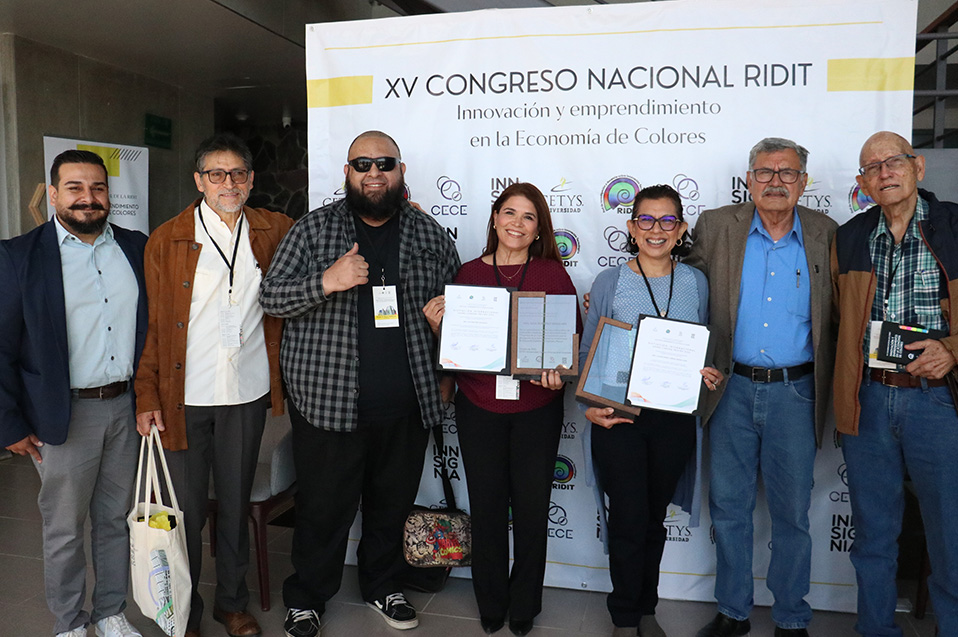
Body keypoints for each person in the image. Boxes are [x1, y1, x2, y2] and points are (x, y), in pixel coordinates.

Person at [259, 131, 460, 637]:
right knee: (322, 511)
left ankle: (382, 586)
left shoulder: (430, 234)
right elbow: (271, 298)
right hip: (327, 404)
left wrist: (447, 358)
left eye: (384, 163)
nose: (374, 173)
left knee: (390, 508)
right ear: (347, 173)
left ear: (401, 171)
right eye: (362, 164)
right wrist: (327, 281)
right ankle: (307, 598)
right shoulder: (313, 230)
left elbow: (461, 313)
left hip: (408, 404)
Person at [134, 133, 293, 637]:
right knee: (184, 512)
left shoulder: (273, 228)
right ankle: (184, 609)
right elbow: (151, 325)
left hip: (245, 392)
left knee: (235, 502)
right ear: (199, 180)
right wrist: (147, 394)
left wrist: (400, 209)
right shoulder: (167, 238)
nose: (229, 183)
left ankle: (231, 603)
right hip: (183, 397)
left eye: (238, 173)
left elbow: (327, 237)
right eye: (217, 174)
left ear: (251, 179)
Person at [686, 138, 837, 637]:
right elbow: (682, 289)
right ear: (749, 179)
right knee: (729, 508)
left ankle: (791, 616)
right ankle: (733, 612)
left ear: (803, 182)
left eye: (787, 172)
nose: (776, 181)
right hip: (729, 389)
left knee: (792, 513)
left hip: (797, 393)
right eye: (765, 172)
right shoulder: (716, 226)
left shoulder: (825, 233)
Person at [422, 182, 581, 636]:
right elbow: (456, 352)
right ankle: (490, 601)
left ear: (539, 229)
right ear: (494, 218)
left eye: (528, 217)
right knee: (487, 508)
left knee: (532, 510)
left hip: (537, 408)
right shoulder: (468, 273)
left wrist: (560, 372)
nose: (517, 223)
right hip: (479, 406)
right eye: (509, 212)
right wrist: (438, 329)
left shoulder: (553, 275)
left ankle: (524, 604)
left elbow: (570, 346)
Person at [0, 150, 147, 637]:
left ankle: (110, 612)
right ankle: (69, 622)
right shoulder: (19, 256)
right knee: (64, 528)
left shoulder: (135, 247)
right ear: (54, 193)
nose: (89, 198)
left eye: (98, 188)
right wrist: (9, 422)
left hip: (125, 407)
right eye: (75, 188)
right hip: (62, 414)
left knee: (114, 520)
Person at [578, 184, 720, 637]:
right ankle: (624, 616)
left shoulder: (696, 282)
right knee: (627, 518)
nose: (656, 229)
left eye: (667, 220)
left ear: (680, 229)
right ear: (631, 227)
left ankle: (646, 609)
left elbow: (704, 345)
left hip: (673, 419)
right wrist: (589, 405)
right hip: (619, 416)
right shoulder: (610, 281)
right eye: (646, 219)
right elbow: (589, 351)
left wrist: (709, 372)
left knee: (653, 518)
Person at [831, 131, 958, 636]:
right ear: (862, 182)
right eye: (872, 167)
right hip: (869, 399)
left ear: (918, 167)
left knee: (949, 535)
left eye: (895, 161)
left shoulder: (954, 226)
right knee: (873, 536)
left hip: (938, 404)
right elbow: (838, 320)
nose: (884, 172)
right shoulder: (850, 237)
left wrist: (953, 350)